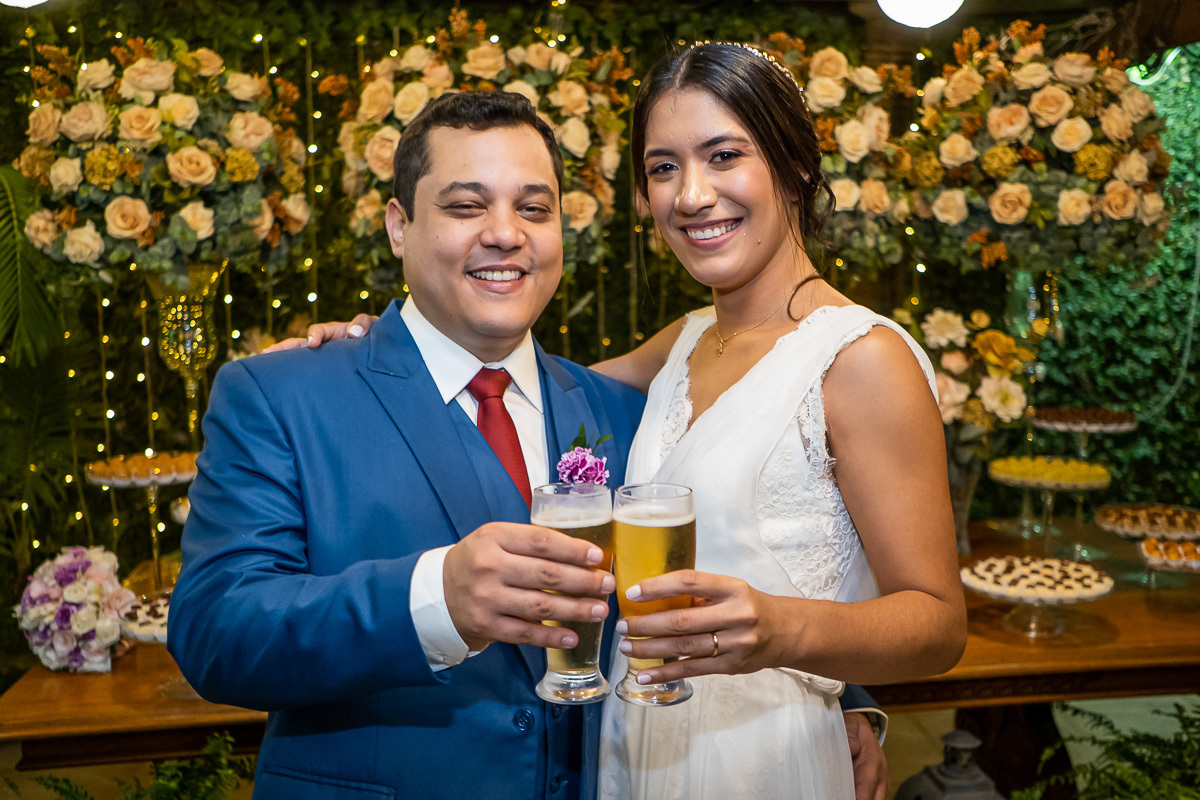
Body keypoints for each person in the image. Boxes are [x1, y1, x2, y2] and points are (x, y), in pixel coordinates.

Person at [287, 42, 967, 800]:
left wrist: (791, 643)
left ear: (797, 166)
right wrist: (359, 355)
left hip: (758, 762)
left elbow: (937, 624)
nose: (692, 195)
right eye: (663, 168)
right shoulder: (677, 347)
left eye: (722, 156)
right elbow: (514, 396)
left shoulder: (863, 357)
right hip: (633, 746)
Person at [168, 91, 646, 800]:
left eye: (534, 209)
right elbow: (217, 631)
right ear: (399, 226)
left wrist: (842, 701)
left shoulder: (620, 411)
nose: (506, 233)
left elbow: (728, 565)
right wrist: (434, 602)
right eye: (465, 206)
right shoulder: (280, 394)